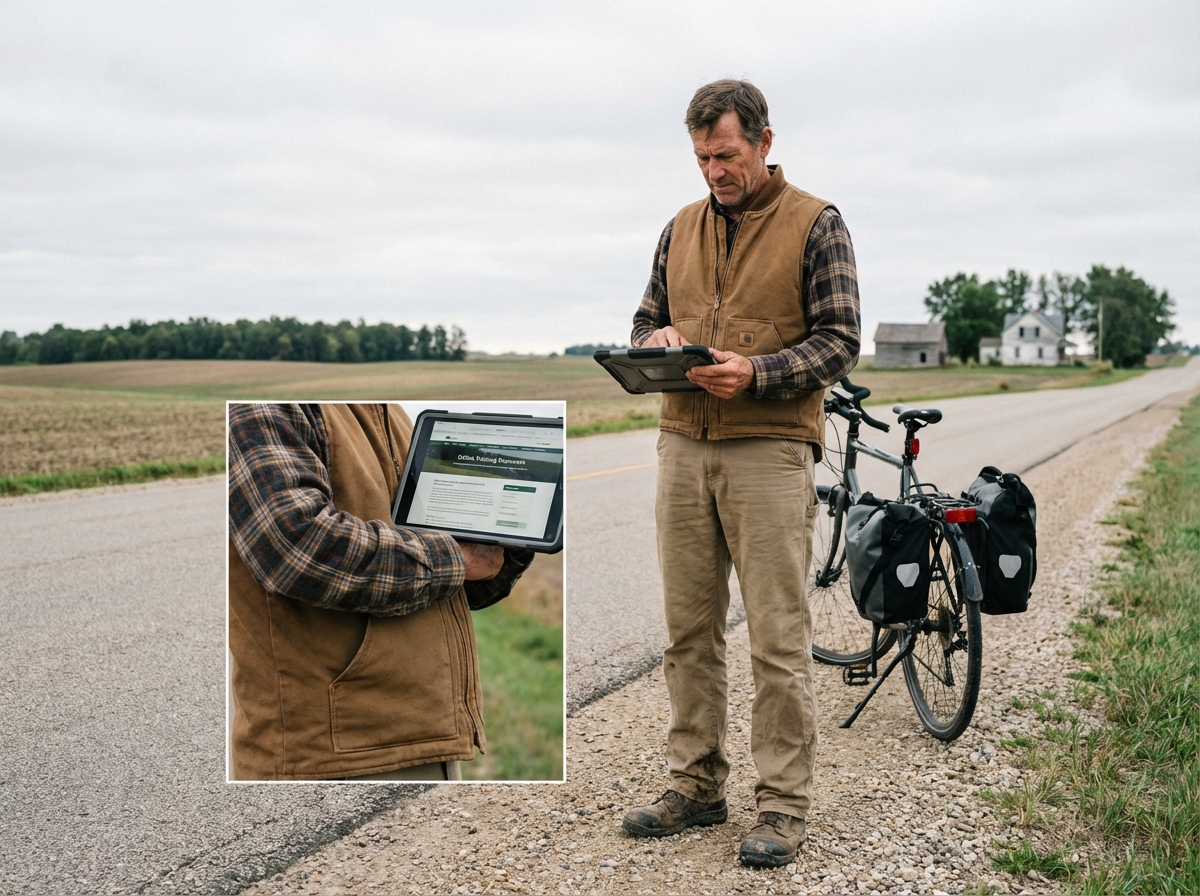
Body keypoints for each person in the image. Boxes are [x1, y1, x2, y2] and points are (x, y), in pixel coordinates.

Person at [620, 79, 861, 867]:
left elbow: (838, 342)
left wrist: (757, 373)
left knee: (777, 640)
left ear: (763, 141)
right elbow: (646, 319)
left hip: (769, 448)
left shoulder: (817, 224)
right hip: (682, 443)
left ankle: (783, 806)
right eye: (700, 158)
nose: (712, 172)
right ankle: (695, 785)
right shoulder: (678, 228)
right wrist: (656, 344)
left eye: (725, 155)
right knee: (688, 633)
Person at [227, 402, 533, 781]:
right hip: (332, 754)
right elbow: (297, 547)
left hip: (420, 735)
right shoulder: (266, 407)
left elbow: (445, 585)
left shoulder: (395, 415)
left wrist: (515, 535)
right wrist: (457, 557)